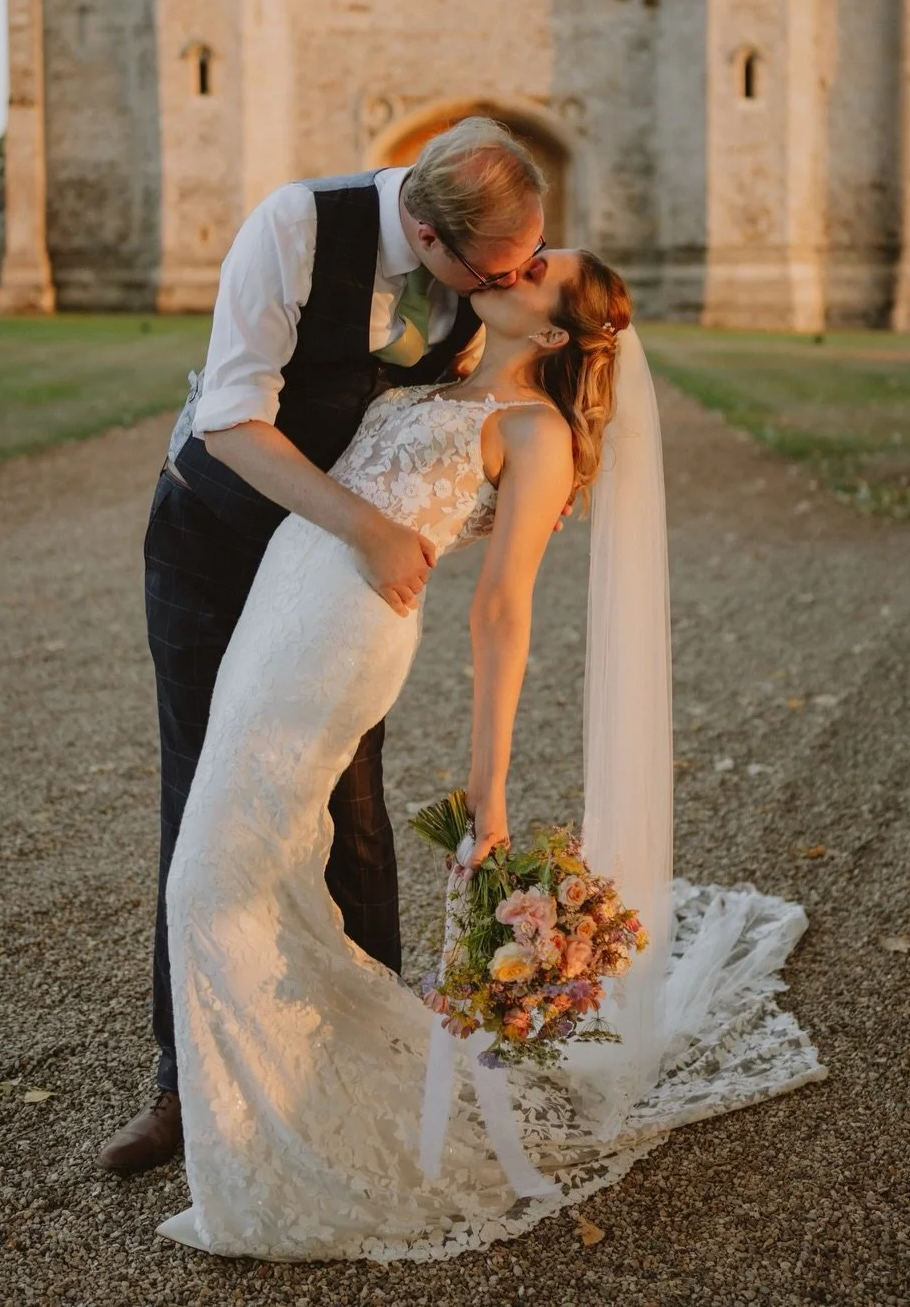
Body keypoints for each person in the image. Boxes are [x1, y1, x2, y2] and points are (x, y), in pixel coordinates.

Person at [155, 252, 825, 1261]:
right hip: (279, 603)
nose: (512, 265)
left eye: (535, 271)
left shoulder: (536, 432)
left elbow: (503, 612)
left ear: (551, 333)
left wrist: (489, 784)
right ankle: (275, 1108)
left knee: (207, 879)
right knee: (255, 863)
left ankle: (271, 1152)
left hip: (339, 639)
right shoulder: (441, 370)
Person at [100, 119, 549, 1174]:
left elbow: (436, 416)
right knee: (205, 790)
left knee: (352, 796)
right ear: (428, 235)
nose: (514, 283)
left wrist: (520, 485)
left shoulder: (470, 279)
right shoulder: (294, 227)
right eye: (500, 272)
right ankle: (185, 1083)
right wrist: (368, 527)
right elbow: (229, 421)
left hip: (329, 576)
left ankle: (370, 1059)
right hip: (217, 540)